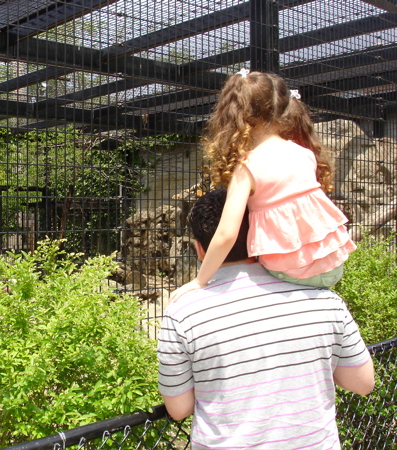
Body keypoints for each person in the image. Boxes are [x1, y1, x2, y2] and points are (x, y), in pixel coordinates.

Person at [157, 189, 375, 449]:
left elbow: (179, 408)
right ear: (261, 236)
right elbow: (362, 384)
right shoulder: (324, 301)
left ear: (200, 249)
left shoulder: (182, 312)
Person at [182, 69, 355, 294]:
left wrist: (199, 281)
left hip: (289, 271)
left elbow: (226, 234)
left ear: (236, 115)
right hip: (333, 265)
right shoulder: (304, 153)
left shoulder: (247, 167)